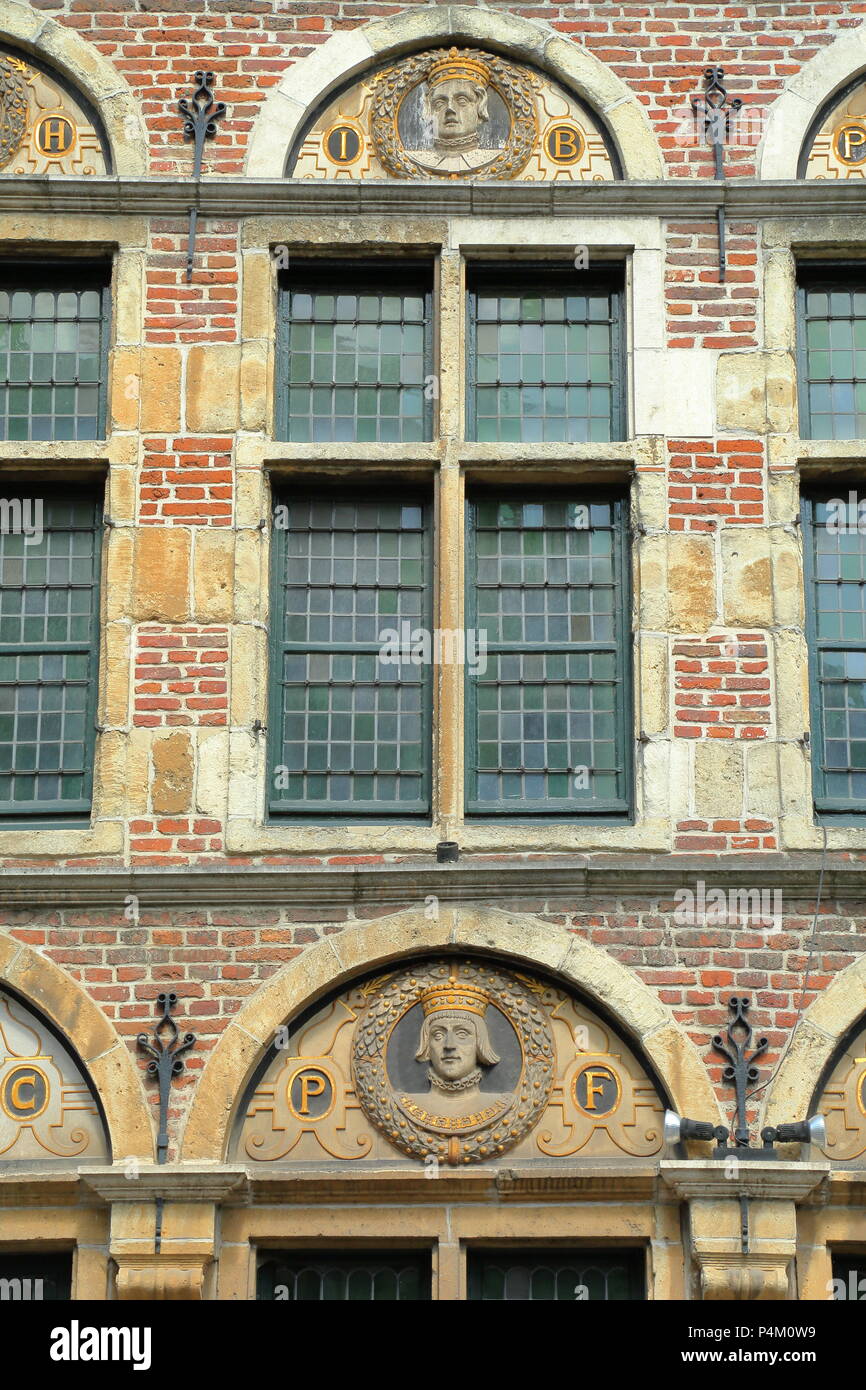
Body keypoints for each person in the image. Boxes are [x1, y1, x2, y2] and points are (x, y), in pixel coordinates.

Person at [401, 975, 511, 1123]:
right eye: (438, 1035)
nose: (449, 1046)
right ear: (426, 1045)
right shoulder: (402, 1106)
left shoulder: (507, 1105)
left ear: (480, 1043)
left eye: (462, 1034)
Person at [406, 50, 501, 174]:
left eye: (462, 100)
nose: (450, 109)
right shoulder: (412, 159)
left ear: (480, 107)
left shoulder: (496, 157)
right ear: (430, 110)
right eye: (440, 102)